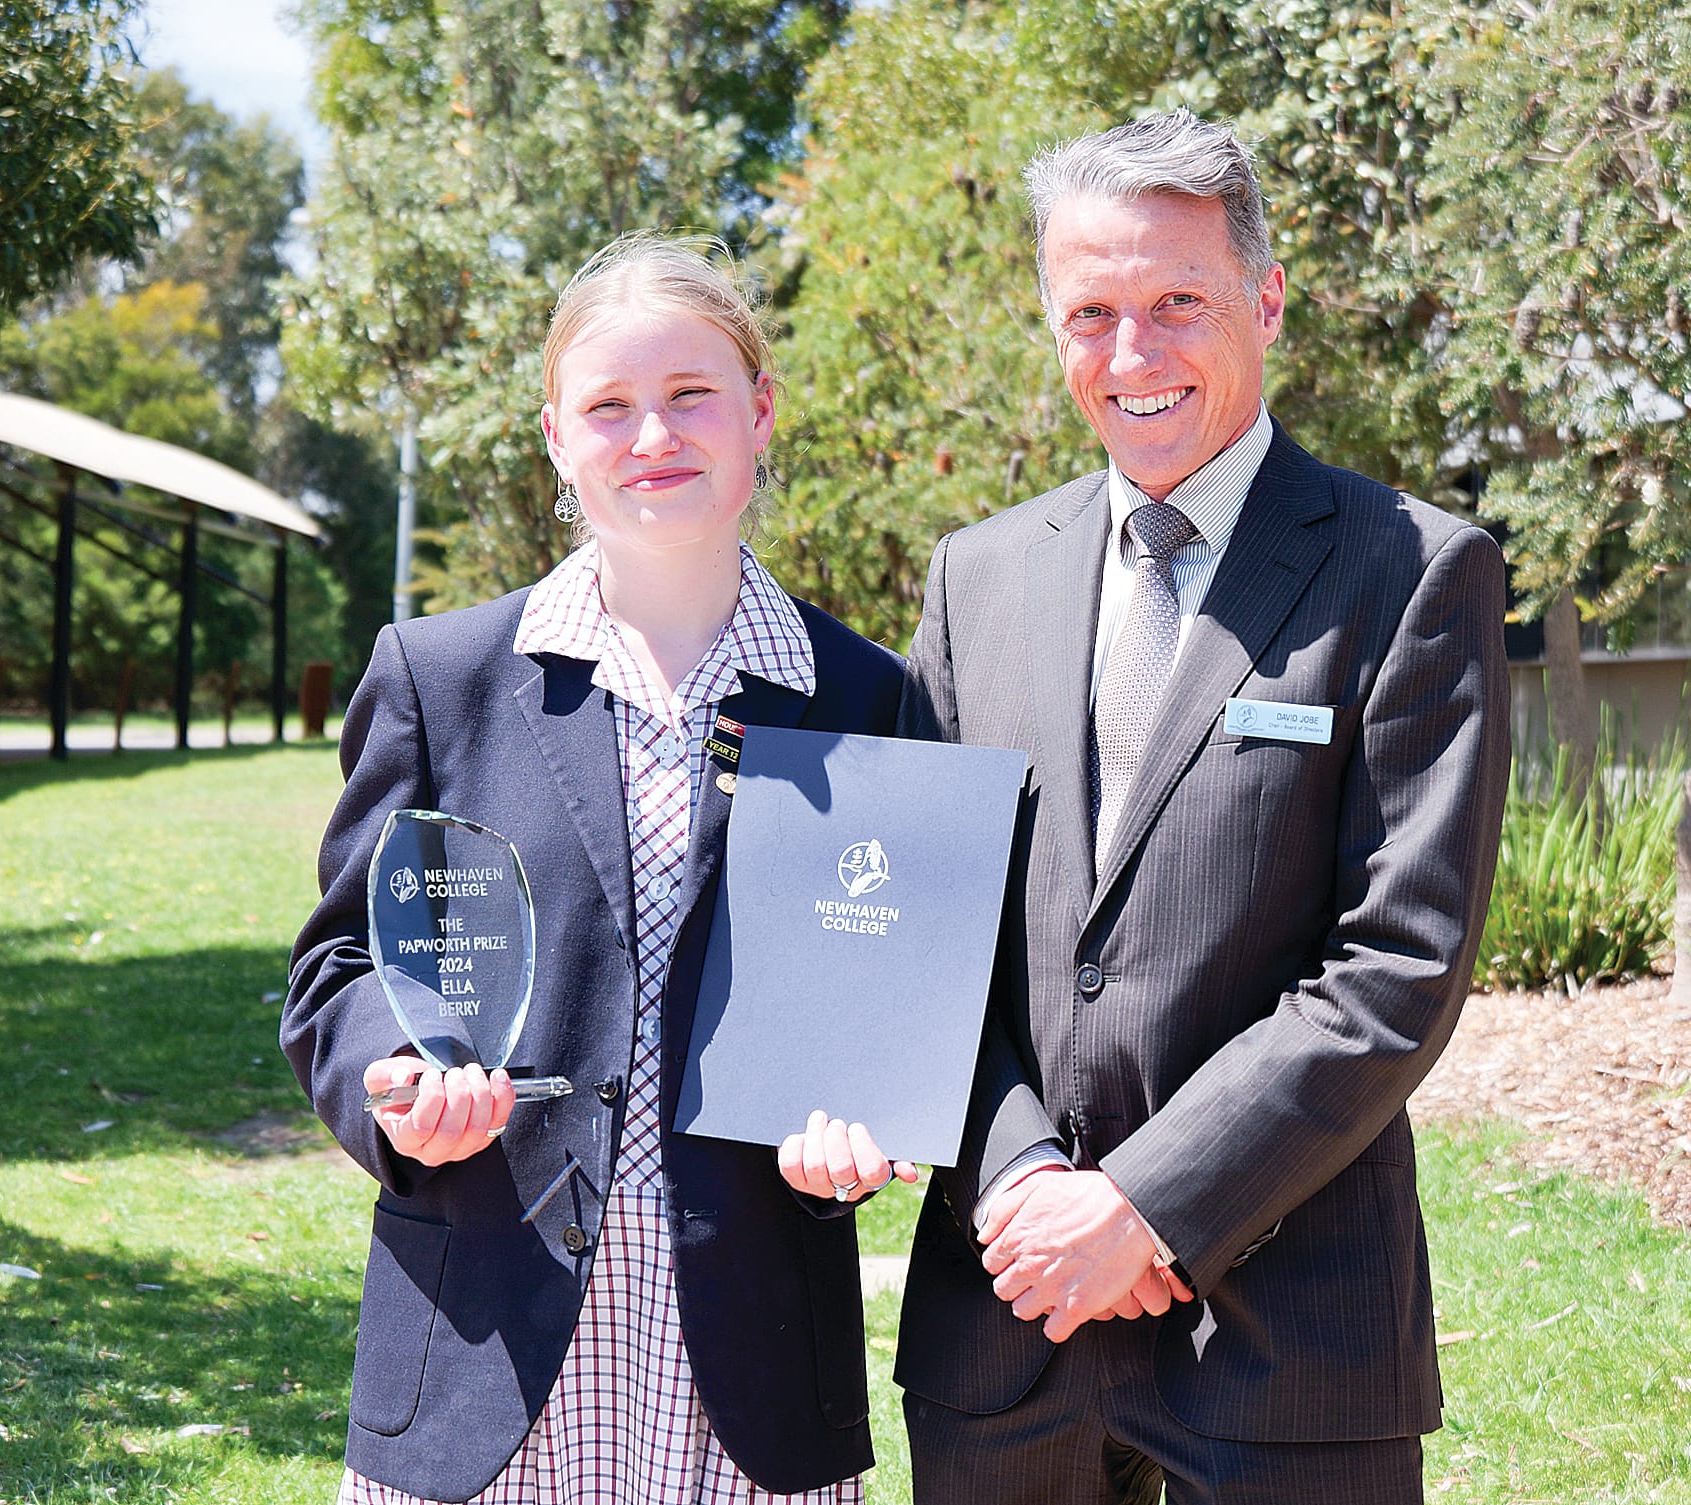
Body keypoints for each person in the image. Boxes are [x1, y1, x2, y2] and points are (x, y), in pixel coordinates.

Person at [889, 110, 1511, 1503]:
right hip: (1007, 1320)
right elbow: (918, 939)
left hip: (1285, 1340)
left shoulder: (1408, 571)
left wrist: (1144, 1206)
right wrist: (1020, 1184)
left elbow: (1398, 965)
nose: (1132, 355)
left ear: (1266, 301)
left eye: (1178, 303)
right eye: (1090, 313)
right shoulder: (974, 582)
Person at [282, 233, 913, 1505]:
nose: (653, 436)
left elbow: (882, 991)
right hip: (482, 1340)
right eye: (608, 406)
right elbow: (337, 969)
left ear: (758, 411)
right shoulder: (439, 675)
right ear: (557, 439)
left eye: (690, 396)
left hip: (751, 1358)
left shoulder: (865, 694)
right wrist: (391, 1078)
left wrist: (867, 1122)